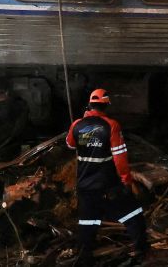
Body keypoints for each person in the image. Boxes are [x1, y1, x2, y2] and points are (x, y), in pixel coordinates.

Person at [66, 88, 148, 265]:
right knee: (134, 215)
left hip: (85, 187)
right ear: (105, 106)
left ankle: (84, 258)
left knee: (88, 223)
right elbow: (120, 159)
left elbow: (70, 145)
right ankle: (142, 251)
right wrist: (126, 181)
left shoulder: (77, 125)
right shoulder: (111, 125)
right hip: (107, 186)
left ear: (90, 104)